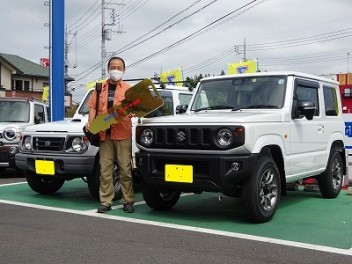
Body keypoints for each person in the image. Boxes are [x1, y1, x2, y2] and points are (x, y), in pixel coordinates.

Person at [86, 56, 135, 213]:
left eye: (119, 67)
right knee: (105, 170)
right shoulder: (100, 88)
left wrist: (134, 112)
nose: (115, 70)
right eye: (113, 67)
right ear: (108, 69)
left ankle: (128, 201)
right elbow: (92, 106)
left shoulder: (129, 89)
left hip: (123, 133)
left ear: (124, 70)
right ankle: (106, 201)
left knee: (125, 169)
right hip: (103, 134)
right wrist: (91, 122)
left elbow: (135, 108)